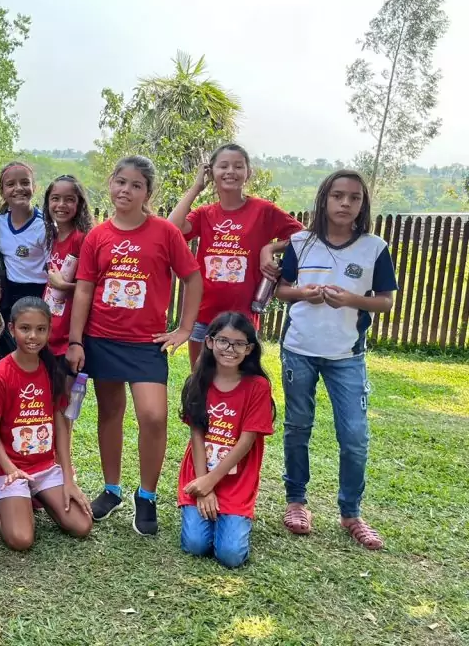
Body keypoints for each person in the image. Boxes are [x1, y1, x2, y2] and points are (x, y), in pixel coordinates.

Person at [66, 155, 202, 531]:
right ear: (111, 184)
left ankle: (147, 495)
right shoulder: (98, 236)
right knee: (110, 413)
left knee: (153, 416)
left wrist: (184, 329)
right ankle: (112, 489)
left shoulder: (164, 232)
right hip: (102, 338)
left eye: (136, 185)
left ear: (147, 193)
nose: (126, 190)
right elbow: (83, 290)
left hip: (146, 344)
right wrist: (76, 341)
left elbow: (192, 278)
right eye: (120, 182)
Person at [276, 170, 396, 550]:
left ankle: (351, 512)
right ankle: (296, 502)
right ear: (324, 199)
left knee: (355, 436)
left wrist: (352, 300)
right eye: (338, 196)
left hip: (347, 355)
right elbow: (281, 289)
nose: (345, 204)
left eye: (354, 198)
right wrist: (301, 293)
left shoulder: (374, 247)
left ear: (363, 204)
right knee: (297, 427)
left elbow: (386, 301)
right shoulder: (300, 242)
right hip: (299, 349)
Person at [168, 144, 305, 366]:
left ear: (248, 173)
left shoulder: (263, 210)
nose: (230, 171)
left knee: (240, 383)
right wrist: (196, 187)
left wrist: (269, 249)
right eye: (223, 166)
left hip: (243, 319)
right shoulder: (205, 214)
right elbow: (171, 231)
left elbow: (305, 237)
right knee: (200, 382)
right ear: (211, 172)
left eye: (238, 166)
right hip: (203, 317)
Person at [0, 297, 93, 550]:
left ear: (49, 330)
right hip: (10, 469)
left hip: (43, 466)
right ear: (12, 329)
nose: (33, 336)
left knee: (82, 525)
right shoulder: (0, 375)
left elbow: (60, 428)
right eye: (25, 328)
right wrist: (11, 469)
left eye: (41, 329)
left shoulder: (51, 370)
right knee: (22, 541)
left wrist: (68, 478)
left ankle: (36, 497)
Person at [177, 312, 275, 568]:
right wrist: (203, 484)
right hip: (200, 474)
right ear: (209, 342)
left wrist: (212, 480)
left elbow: (246, 441)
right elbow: (196, 435)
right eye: (223, 341)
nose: (230, 349)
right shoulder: (198, 381)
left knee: (230, 556)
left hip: (235, 480)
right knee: (195, 546)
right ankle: (211, 516)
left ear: (249, 349)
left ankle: (233, 518)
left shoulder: (258, 387)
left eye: (239, 343)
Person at [40, 175, 94, 359]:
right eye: (55, 198)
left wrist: (63, 286)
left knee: (67, 386)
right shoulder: (51, 237)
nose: (61, 204)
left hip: (70, 333)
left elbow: (92, 288)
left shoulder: (82, 239)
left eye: (69, 199)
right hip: (51, 327)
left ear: (79, 204)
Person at [0, 162, 48, 329]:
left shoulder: (45, 226)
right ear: (2, 191)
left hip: (39, 293)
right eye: (11, 184)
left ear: (34, 187)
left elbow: (54, 266)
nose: (18, 188)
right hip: (9, 293)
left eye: (25, 182)